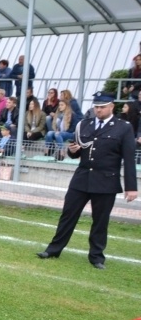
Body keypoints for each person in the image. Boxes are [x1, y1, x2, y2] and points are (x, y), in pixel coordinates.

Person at [37, 92, 137, 269]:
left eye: (102, 107)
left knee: (100, 221)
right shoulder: (85, 124)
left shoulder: (123, 127)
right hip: (82, 178)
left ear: (111, 106)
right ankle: (53, 249)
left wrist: (131, 187)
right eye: (96, 107)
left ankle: (96, 257)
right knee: (68, 215)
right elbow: (74, 152)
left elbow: (129, 158)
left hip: (106, 181)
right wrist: (73, 150)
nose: (98, 110)